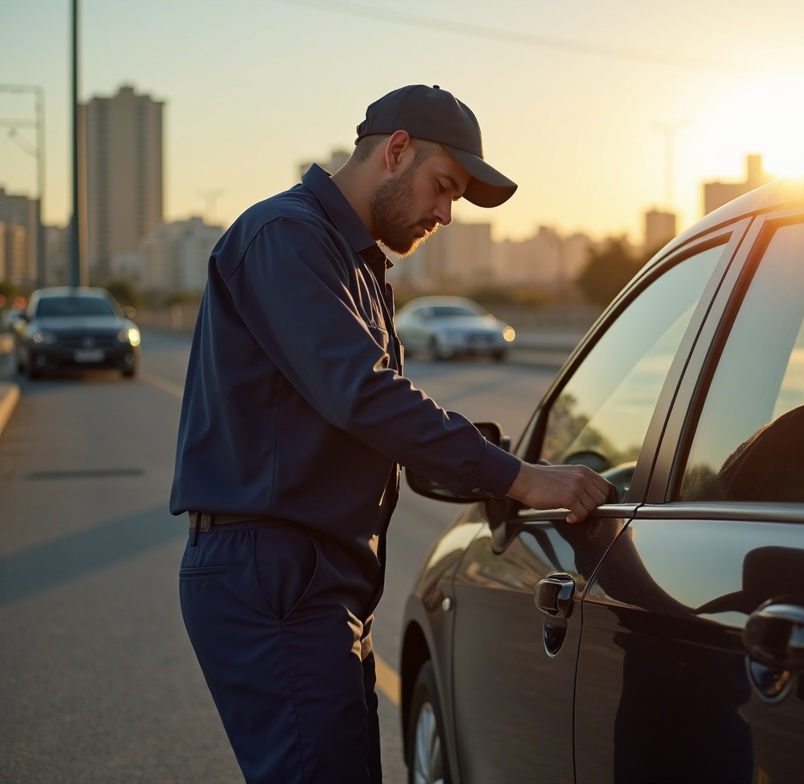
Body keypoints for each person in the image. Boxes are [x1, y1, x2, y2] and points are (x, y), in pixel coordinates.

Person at [169, 84, 613, 783]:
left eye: (455, 200)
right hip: (273, 570)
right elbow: (364, 395)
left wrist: (474, 459)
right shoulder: (285, 237)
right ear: (396, 151)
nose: (444, 213)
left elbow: (374, 410)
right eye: (442, 188)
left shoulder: (356, 262)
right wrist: (518, 476)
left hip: (312, 575)